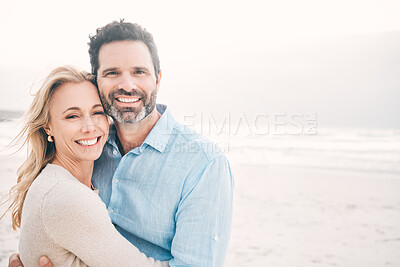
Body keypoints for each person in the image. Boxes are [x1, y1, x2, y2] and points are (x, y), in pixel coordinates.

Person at [10, 20, 234, 267]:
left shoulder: (203, 164)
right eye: (112, 72)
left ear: (157, 79)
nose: (127, 85)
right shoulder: (89, 149)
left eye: (139, 71)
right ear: (97, 81)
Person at [4, 66, 168, 266]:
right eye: (72, 116)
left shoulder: (60, 181)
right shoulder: (66, 195)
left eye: (97, 112)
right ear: (48, 126)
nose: (90, 127)